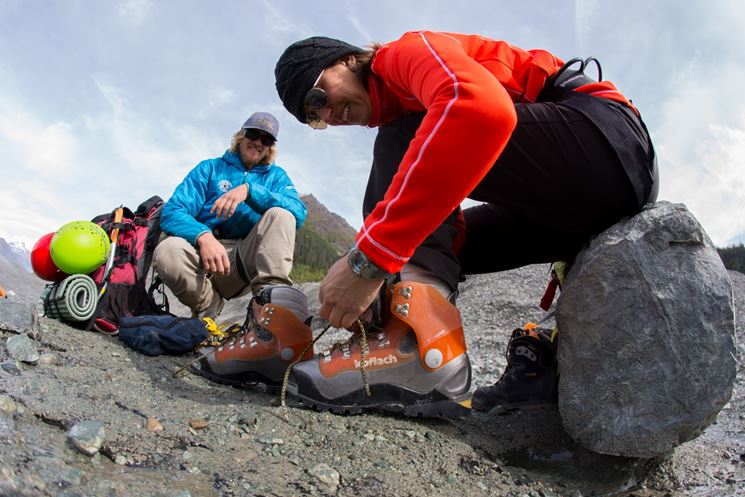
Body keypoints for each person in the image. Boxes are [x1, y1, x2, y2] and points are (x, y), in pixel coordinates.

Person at [273, 32, 658, 416]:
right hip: (579, 207)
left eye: (318, 98)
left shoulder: (402, 54)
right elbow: (433, 227)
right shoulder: (396, 104)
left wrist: (370, 260)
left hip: (609, 145)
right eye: (313, 118)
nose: (326, 115)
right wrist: (388, 275)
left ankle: (419, 351)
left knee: (405, 137)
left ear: (343, 59)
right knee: (441, 245)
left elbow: (476, 106)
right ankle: (404, 339)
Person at [153, 112, 314, 389]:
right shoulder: (209, 169)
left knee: (282, 214)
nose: (258, 142)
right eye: (253, 135)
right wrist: (202, 236)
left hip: (242, 261)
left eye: (266, 139)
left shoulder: (276, 176)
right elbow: (172, 212)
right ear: (241, 136)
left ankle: (272, 314)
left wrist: (249, 191)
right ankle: (208, 307)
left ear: (271, 146)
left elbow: (298, 213)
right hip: (202, 257)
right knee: (168, 249)